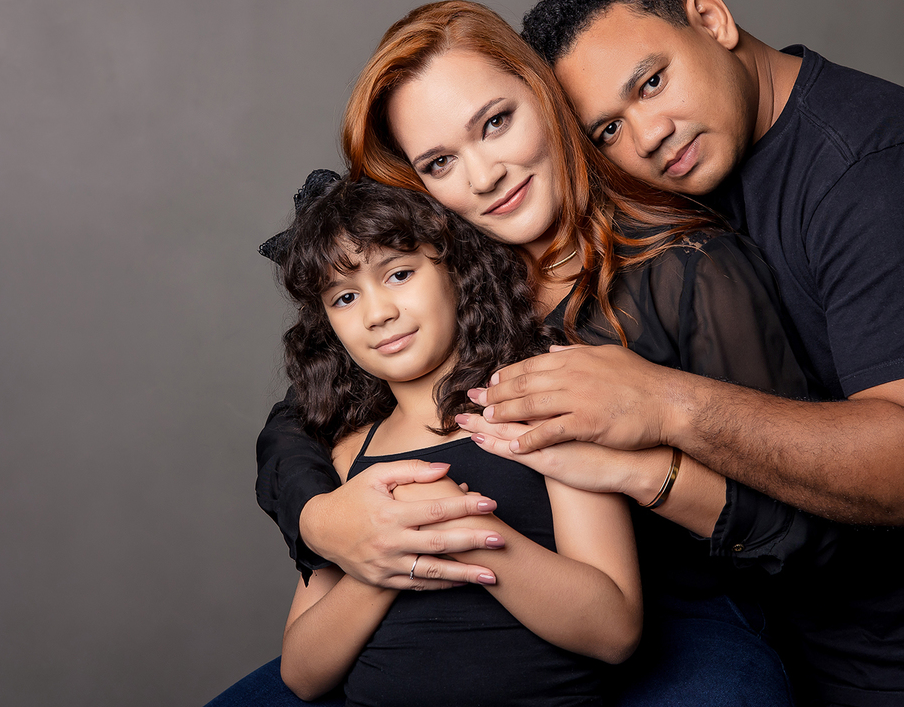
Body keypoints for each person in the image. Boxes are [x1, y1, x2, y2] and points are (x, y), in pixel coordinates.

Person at [450, 0, 904, 706]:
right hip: (809, 653)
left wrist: (662, 404)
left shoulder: (886, 170)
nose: (647, 136)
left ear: (712, 19)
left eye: (652, 82)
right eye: (607, 130)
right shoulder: (675, 182)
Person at [224, 0, 831, 706]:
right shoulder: (445, 273)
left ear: (543, 94)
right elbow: (306, 414)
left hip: (679, 604)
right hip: (442, 619)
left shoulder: (684, 270)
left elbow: (805, 522)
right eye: (441, 162)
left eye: (495, 122)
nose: (484, 176)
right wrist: (322, 520)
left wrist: (642, 454)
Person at [260, 169, 642, 706]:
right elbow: (302, 672)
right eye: (344, 298)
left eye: (399, 274)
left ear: (456, 270)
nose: (378, 313)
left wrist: (462, 527)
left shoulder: (538, 407)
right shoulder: (346, 453)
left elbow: (614, 630)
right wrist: (387, 554)